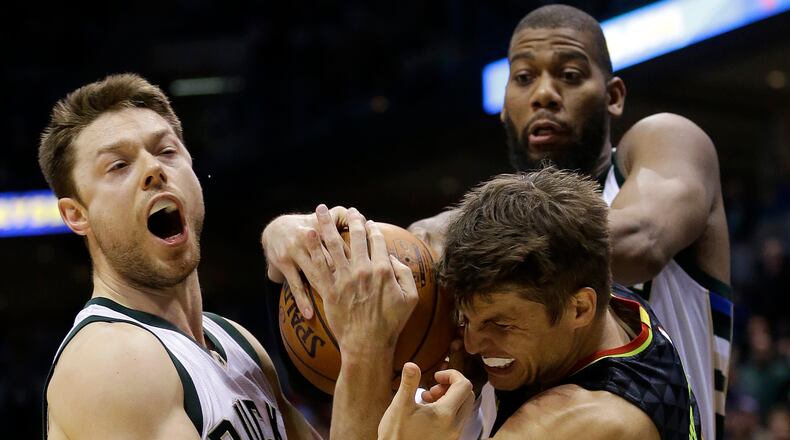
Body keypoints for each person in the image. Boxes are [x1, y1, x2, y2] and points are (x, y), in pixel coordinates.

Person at [39, 73, 434, 439]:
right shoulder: (110, 363)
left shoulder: (236, 344)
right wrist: (365, 348)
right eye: (119, 165)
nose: (153, 170)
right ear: (77, 215)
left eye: (166, 151)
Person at [407, 5, 732, 439]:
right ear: (505, 106)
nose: (544, 94)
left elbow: (643, 241)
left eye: (571, 75)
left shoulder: (664, 143)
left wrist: (453, 232)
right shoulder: (482, 235)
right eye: (524, 78)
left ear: (614, 95)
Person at [379, 168, 702, 439]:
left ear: (580, 309)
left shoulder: (582, 423)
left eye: (499, 324)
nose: (472, 345)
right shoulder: (595, 291)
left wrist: (363, 349)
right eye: (466, 319)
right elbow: (435, 231)